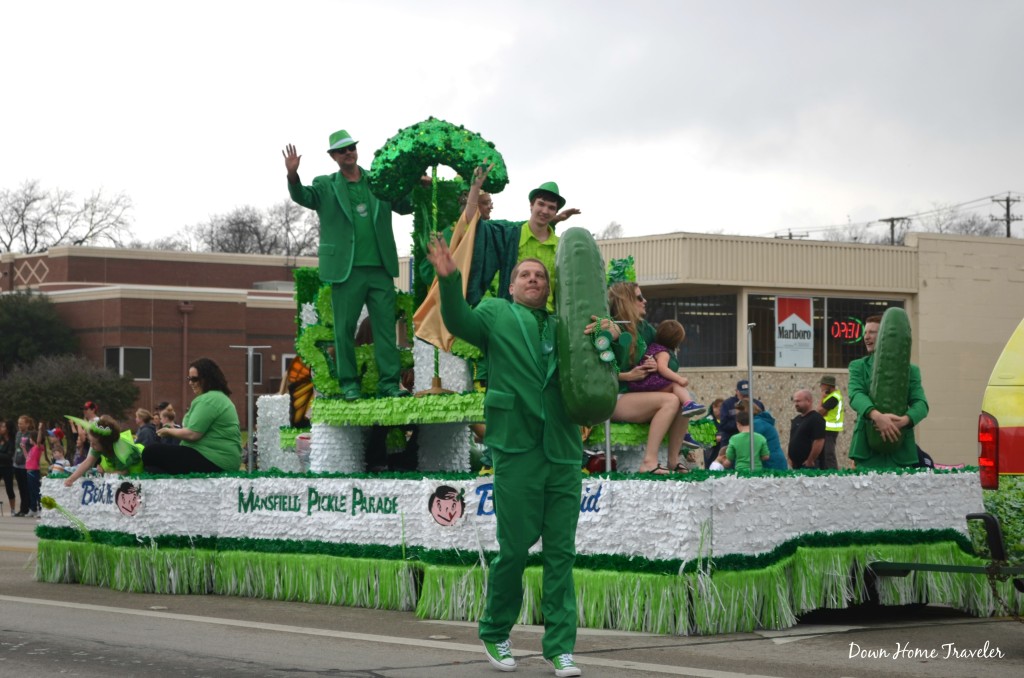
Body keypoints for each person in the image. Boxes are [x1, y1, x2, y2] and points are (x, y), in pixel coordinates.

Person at [427, 236, 583, 677]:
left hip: (564, 448)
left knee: (561, 553)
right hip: (516, 445)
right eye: (524, 275)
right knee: (513, 550)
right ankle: (496, 631)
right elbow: (457, 320)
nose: (533, 279)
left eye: (540, 276)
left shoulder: (563, 324)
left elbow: (602, 366)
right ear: (511, 286)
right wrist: (449, 278)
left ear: (548, 288)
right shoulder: (496, 313)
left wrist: (614, 335)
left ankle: (560, 648)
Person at [283, 131, 410, 401]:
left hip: (380, 267)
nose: (348, 153)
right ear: (333, 157)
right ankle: (349, 383)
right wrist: (293, 176)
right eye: (342, 151)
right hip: (346, 269)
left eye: (351, 147)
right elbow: (304, 196)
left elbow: (404, 205)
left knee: (386, 330)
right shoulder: (326, 185)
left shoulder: (379, 181)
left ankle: (389, 383)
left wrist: (420, 185)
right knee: (344, 330)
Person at [607, 282, 698, 475]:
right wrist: (627, 375)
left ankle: (673, 460)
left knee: (684, 397)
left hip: (636, 393)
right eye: (639, 297)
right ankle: (649, 461)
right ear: (626, 301)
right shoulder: (610, 327)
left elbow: (670, 359)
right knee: (670, 400)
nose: (645, 301)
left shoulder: (644, 329)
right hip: (613, 397)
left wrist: (657, 364)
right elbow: (594, 372)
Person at [848, 315, 929, 468]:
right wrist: (877, 416)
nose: (866, 337)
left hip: (901, 451)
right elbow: (856, 395)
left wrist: (904, 421)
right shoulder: (857, 366)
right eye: (865, 333)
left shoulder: (911, 370)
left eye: (872, 332)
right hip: (866, 450)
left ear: (886, 336)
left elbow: (921, 404)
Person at [143, 358, 242, 474]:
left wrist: (168, 431)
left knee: (150, 452)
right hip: (217, 458)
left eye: (194, 379)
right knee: (153, 468)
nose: (190, 382)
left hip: (216, 460)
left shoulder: (209, 400)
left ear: (207, 378)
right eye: (189, 379)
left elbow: (193, 434)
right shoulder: (217, 398)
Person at [626, 318, 707, 416]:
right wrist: (679, 379)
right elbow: (662, 368)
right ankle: (688, 404)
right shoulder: (664, 353)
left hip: (641, 383)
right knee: (676, 385)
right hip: (647, 384)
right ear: (677, 341)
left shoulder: (653, 346)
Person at [63, 415, 144, 486]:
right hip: (112, 460)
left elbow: (123, 472)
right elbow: (88, 462)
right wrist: (71, 479)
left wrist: (105, 473)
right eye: (90, 442)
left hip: (133, 465)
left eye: (94, 443)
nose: (91, 445)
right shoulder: (98, 445)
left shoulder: (120, 454)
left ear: (105, 445)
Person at [719, 380, 766, 451]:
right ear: (736, 391)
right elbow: (723, 424)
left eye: (747, 394)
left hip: (751, 441)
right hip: (731, 440)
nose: (745, 397)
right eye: (743, 394)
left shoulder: (757, 404)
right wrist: (741, 425)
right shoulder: (727, 404)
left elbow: (762, 421)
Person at [788, 389, 826, 469]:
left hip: (809, 466)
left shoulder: (816, 418)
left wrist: (810, 460)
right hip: (796, 465)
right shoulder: (796, 419)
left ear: (808, 401)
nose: (796, 404)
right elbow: (792, 439)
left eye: (798, 401)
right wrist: (790, 458)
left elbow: (819, 441)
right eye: (794, 401)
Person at [815, 375, 843, 469]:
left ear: (827, 386)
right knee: (823, 454)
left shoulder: (834, 397)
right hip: (827, 428)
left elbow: (819, 412)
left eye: (822, 385)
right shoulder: (831, 396)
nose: (821, 387)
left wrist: (822, 398)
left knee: (828, 454)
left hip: (830, 429)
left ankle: (833, 474)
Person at [12, 415, 34, 516]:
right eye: (18, 423)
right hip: (17, 464)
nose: (19, 425)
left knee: (26, 488)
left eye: (21, 423)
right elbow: (16, 448)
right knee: (20, 488)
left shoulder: (30, 435)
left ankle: (27, 508)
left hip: (26, 465)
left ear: (27, 424)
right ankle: (22, 509)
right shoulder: (18, 434)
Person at [73, 401, 100, 465]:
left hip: (96, 452)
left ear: (93, 410)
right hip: (91, 450)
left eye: (86, 409)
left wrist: (79, 423)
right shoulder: (90, 422)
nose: (84, 411)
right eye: (83, 409)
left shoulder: (96, 421)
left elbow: (82, 438)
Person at [0, 419, 16, 512]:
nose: (1, 428)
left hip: (7, 467)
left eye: (3, 426)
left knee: (9, 489)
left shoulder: (12, 441)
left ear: (8, 429)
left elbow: (9, 456)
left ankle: (13, 509)